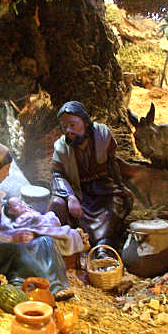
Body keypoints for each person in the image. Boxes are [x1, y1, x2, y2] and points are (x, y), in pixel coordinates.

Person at [0, 142, 71, 299]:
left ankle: (58, 286)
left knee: (46, 241)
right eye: (6, 169)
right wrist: (12, 238)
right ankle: (35, 287)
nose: (8, 174)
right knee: (18, 249)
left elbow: (0, 212)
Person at [48, 101, 133, 258]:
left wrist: (121, 186)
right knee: (61, 206)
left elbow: (112, 164)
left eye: (73, 125)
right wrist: (70, 197)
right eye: (65, 126)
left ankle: (103, 248)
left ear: (85, 122)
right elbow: (57, 174)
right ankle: (71, 247)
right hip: (79, 190)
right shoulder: (61, 147)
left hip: (104, 188)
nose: (68, 131)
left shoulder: (103, 135)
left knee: (112, 208)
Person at [0, 196, 90, 256]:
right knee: (64, 232)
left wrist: (42, 216)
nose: (21, 205)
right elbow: (30, 224)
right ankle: (75, 238)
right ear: (10, 211)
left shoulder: (27, 211)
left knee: (51, 216)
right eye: (17, 205)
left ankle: (75, 236)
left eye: (21, 203)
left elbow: (40, 217)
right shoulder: (19, 219)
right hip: (40, 229)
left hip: (44, 224)